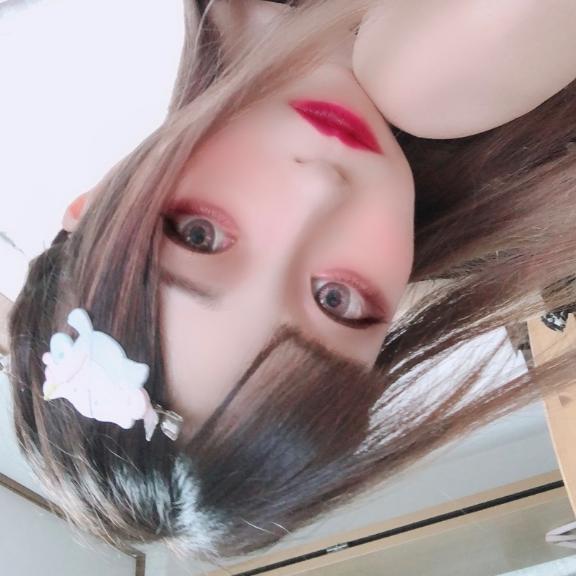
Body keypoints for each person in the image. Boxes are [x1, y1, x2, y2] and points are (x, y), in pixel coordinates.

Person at [6, 0, 576, 562]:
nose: (319, 191)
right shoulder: (438, 80)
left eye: (200, 236)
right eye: (335, 300)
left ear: (98, 201)